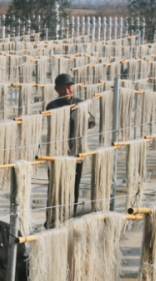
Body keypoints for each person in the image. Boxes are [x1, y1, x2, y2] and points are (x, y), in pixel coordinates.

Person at [45, 73, 96, 216]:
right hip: (57, 153)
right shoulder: (53, 106)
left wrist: (83, 113)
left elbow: (91, 122)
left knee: (74, 186)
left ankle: (70, 215)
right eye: (63, 88)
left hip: (76, 152)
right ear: (56, 89)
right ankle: (52, 218)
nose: (67, 91)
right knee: (55, 186)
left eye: (69, 87)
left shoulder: (80, 103)